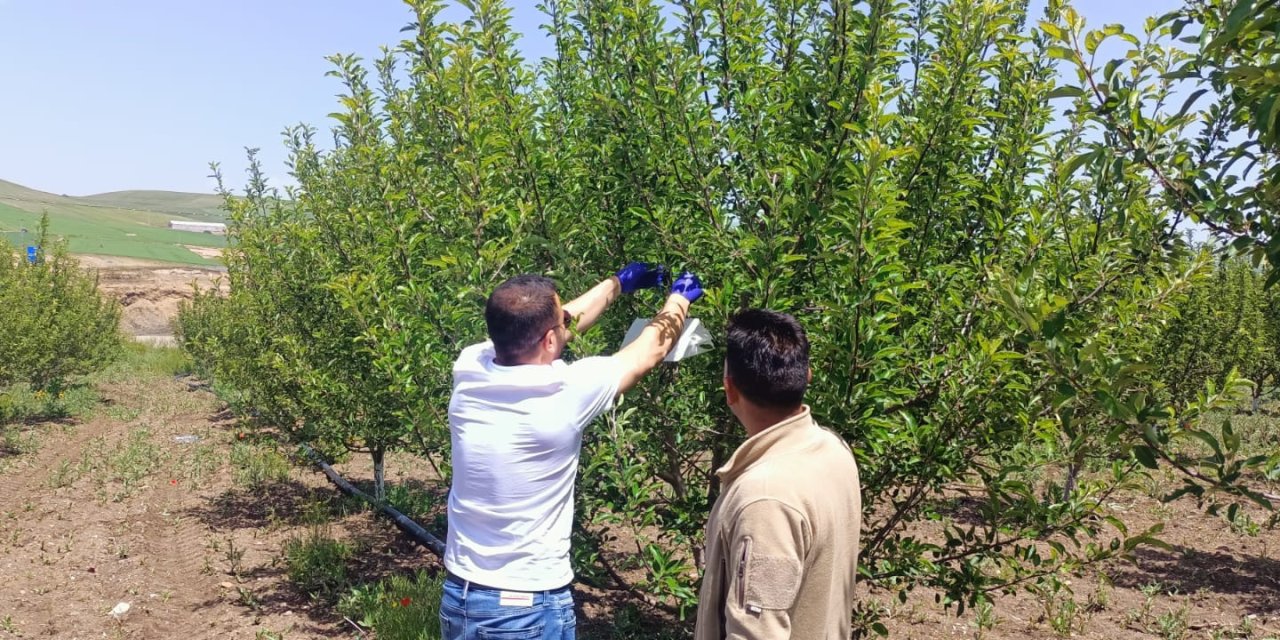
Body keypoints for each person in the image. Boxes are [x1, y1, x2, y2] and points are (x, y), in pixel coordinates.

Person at [440, 263, 704, 640]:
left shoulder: (470, 366)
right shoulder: (565, 391)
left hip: (462, 597)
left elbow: (548, 328)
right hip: (524, 611)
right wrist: (680, 298)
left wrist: (615, 285)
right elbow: (648, 351)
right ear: (549, 340)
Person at [694, 309, 862, 640]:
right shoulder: (833, 448)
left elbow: (756, 632)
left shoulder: (765, 496)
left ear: (730, 389)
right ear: (807, 376)